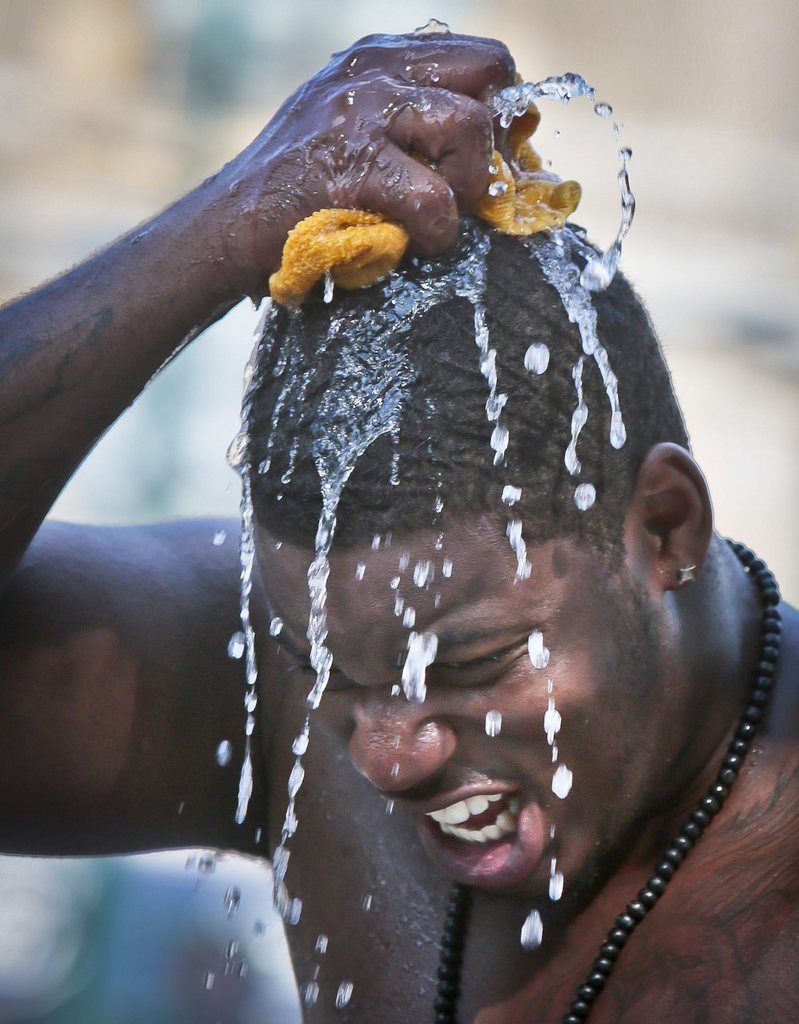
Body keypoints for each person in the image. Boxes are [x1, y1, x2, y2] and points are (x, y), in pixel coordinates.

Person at [0, 29, 796, 1024]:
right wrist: (211, 236)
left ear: (664, 530)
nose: (387, 757)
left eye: (470, 663)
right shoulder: (277, 688)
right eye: (331, 673)